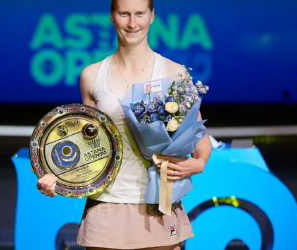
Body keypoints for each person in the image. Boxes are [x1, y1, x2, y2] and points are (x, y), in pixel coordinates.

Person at [36, 0, 212, 249]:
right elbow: (86, 143)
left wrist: (199, 162)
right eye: (124, 14)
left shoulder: (175, 73)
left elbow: (199, 133)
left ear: (151, 16)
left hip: (159, 204)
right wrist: (58, 177)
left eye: (140, 13)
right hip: (106, 206)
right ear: (112, 16)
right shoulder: (92, 75)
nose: (132, 23)